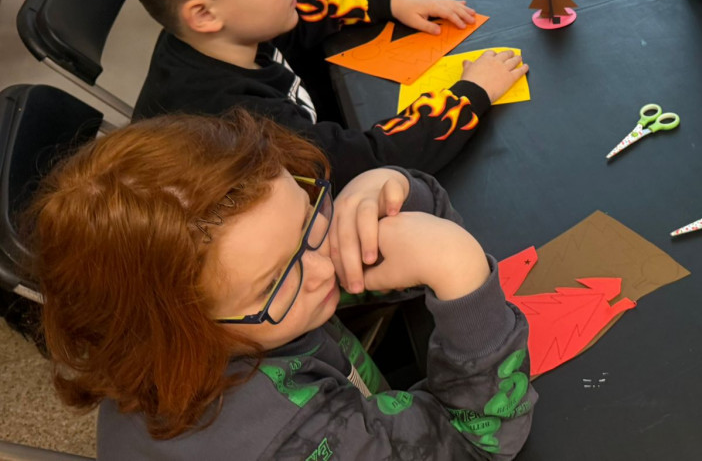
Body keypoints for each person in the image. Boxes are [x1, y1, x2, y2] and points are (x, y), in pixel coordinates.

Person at [32, 110, 536, 459]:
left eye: (308, 216)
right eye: (275, 281)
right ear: (181, 330)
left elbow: (411, 242)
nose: (324, 268)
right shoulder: (287, 439)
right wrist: (457, 268)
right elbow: (477, 446)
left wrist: (383, 191)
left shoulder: (243, 301)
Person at [118, 0, 527, 190]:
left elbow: (305, 10)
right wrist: (472, 93)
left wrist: (389, 2)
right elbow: (370, 162)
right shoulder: (238, 124)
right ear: (204, 14)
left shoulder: (220, 37)